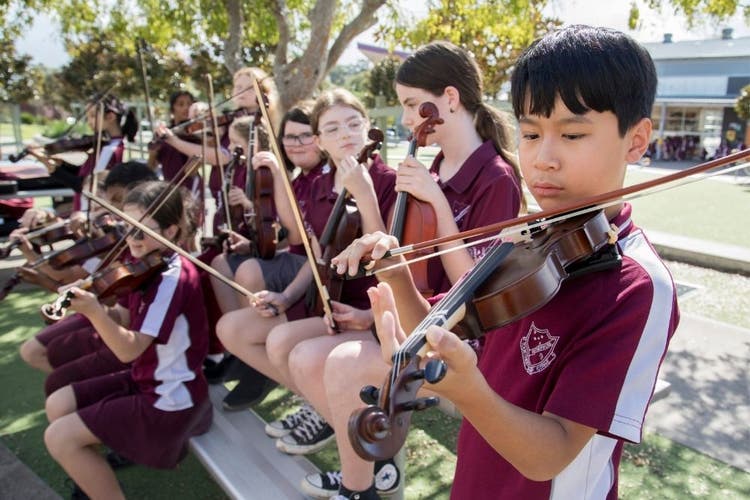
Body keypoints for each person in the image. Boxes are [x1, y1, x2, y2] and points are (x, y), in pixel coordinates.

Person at [336, 25, 680, 499]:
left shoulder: (637, 287)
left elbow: (550, 455)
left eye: (573, 133)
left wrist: (470, 392)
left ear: (636, 140)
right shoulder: (524, 239)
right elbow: (447, 333)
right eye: (531, 133)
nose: (543, 159)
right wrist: (395, 277)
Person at [292, 41, 524, 499]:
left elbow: (473, 288)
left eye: (408, 105)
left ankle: (360, 487)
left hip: (457, 335)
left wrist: (437, 201)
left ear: (449, 99)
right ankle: (374, 462)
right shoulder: (437, 160)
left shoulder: (497, 178)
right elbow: (418, 259)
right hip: (418, 316)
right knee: (302, 358)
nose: (403, 121)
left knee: (340, 365)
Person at [217, 88, 397, 442]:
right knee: (232, 329)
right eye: (332, 129)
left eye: (353, 123)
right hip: (326, 299)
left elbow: (388, 258)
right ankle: (322, 404)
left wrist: (364, 194)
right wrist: (286, 296)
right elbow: (318, 255)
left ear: (368, 126)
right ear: (320, 140)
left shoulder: (387, 180)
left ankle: (340, 423)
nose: (345, 134)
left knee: (283, 341)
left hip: (364, 308)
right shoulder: (316, 183)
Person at [43, 180, 212, 499]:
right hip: (147, 379)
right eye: (127, 226)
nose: (131, 238)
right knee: (58, 403)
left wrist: (93, 311)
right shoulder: (145, 264)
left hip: (172, 397)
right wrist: (96, 299)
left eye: (142, 229)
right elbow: (122, 316)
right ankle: (92, 476)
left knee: (59, 438)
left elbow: (128, 350)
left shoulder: (172, 277)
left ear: (172, 231)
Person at [212, 102, 327, 410]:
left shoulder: (320, 178)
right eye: (290, 137)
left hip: (314, 267)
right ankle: (245, 356)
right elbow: (286, 238)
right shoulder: (300, 177)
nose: (297, 144)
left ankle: (259, 362)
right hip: (296, 257)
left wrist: (277, 175)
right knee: (220, 265)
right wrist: (253, 245)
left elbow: (302, 236)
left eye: (305, 136)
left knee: (249, 271)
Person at [147, 90, 199, 194]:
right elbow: (151, 166)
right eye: (181, 104)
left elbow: (190, 171)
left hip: (190, 186)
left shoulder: (196, 134)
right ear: (172, 109)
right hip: (168, 185)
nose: (186, 108)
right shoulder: (163, 133)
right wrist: (153, 152)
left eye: (189, 104)